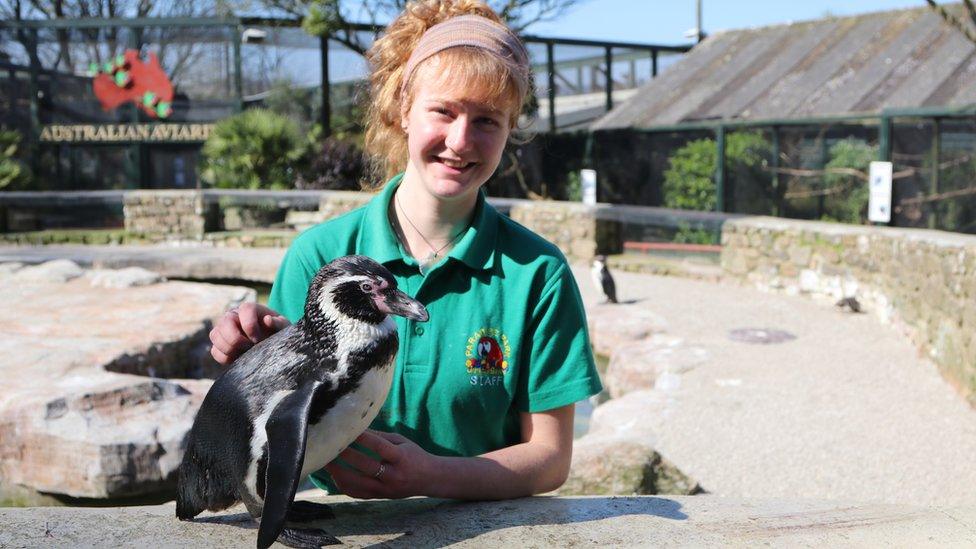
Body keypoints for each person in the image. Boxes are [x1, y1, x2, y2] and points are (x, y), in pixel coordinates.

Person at [208, 0, 602, 501]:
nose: (461, 141)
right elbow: (266, 421)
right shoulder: (320, 255)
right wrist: (245, 352)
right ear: (401, 107)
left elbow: (549, 457)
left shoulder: (538, 274)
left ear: (510, 131)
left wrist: (430, 476)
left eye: (488, 120)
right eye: (444, 110)